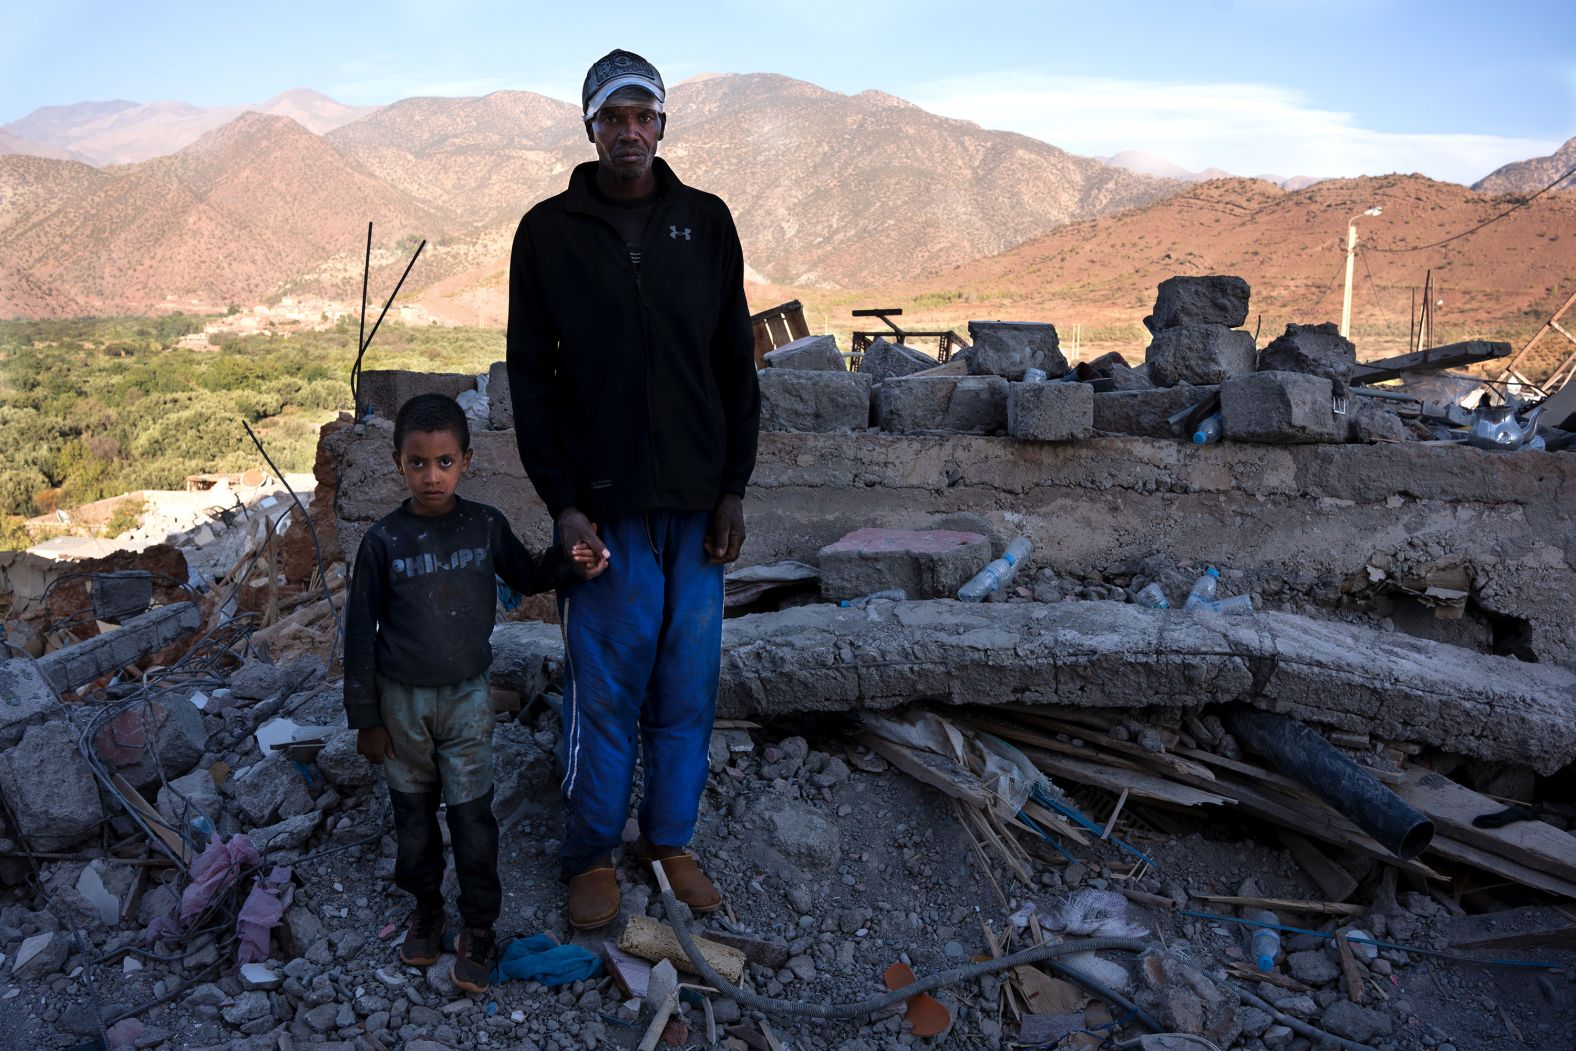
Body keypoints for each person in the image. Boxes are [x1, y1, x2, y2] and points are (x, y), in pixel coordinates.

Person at [507, 48, 760, 930]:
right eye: (611, 117)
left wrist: (734, 487)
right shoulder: (547, 233)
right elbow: (530, 379)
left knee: (688, 683)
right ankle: (588, 852)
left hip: (696, 507)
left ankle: (670, 839)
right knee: (605, 686)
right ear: (589, 126)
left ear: (662, 123)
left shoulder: (707, 221)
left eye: (642, 115)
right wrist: (563, 503)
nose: (628, 132)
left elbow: (735, 365)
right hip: (604, 510)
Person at [342, 393, 598, 993]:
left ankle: (479, 924)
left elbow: (529, 576)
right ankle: (427, 910)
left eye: (445, 462)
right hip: (401, 704)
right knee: (412, 818)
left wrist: (571, 557)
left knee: (473, 817)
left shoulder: (484, 526)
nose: (433, 476)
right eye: (418, 463)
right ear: (397, 462)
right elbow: (359, 635)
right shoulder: (382, 542)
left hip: (466, 698)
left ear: (467, 461)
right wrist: (366, 719)